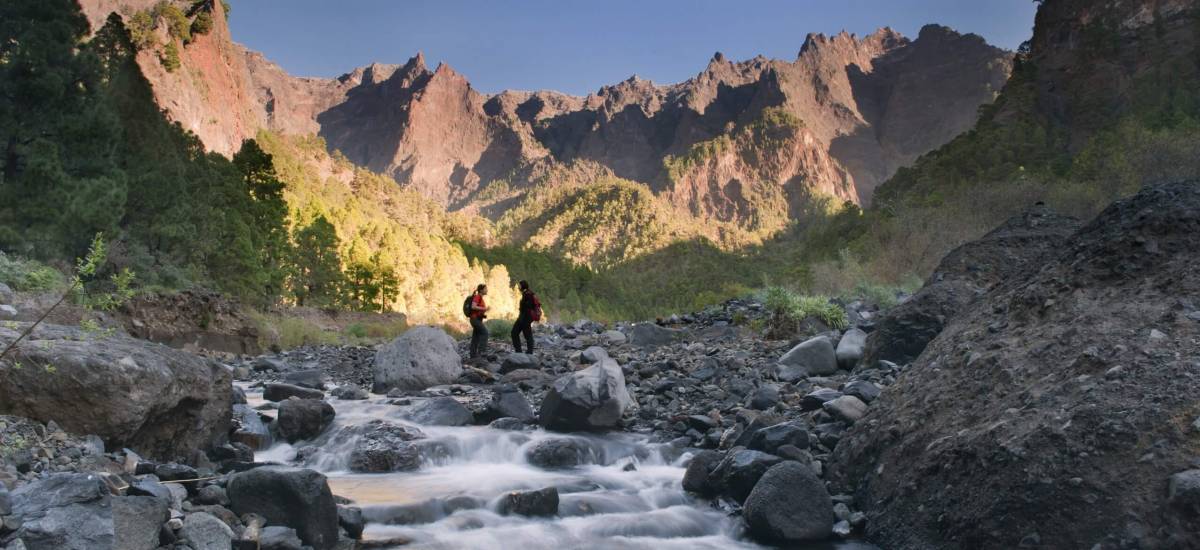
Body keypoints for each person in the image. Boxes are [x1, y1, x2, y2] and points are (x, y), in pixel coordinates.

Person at [511, 280, 538, 353]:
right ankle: (522, 351)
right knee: (516, 333)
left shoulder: (528, 294)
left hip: (525, 318)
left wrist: (522, 309)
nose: (518, 287)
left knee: (523, 334)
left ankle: (527, 352)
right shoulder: (527, 293)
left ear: (523, 286)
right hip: (524, 318)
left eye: (519, 285)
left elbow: (528, 307)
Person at [468, 284, 489, 360]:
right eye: (485, 289)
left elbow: (478, 308)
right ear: (481, 290)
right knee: (485, 333)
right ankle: (482, 352)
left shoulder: (481, 298)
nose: (487, 290)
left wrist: (484, 309)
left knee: (475, 337)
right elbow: (473, 306)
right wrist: (484, 308)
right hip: (475, 319)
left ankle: (472, 355)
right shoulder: (477, 297)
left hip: (477, 319)